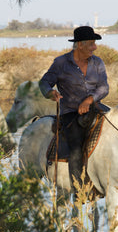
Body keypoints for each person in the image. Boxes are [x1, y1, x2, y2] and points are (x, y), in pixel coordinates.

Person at [39, 26, 109, 196]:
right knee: (76, 146)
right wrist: (50, 92)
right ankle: (79, 190)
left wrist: (89, 100)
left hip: (96, 107)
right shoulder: (61, 63)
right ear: (80, 45)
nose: (95, 47)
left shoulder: (98, 62)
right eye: (92, 44)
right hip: (71, 113)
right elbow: (44, 82)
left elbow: (104, 87)